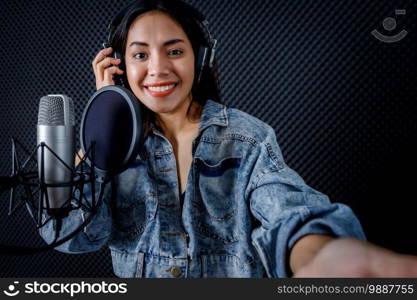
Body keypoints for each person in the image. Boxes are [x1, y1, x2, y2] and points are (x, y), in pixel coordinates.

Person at [40, 0, 417, 278]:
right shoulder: (107, 146)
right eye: (140, 54)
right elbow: (74, 239)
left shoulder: (247, 139)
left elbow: (289, 213)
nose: (158, 69)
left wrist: (322, 257)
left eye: (174, 51)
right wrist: (105, 123)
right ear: (120, 66)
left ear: (199, 60)